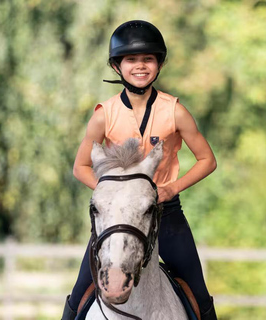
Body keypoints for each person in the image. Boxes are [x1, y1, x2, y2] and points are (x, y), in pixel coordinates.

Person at [61, 20, 218, 320]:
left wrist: (171, 188)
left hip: (166, 212)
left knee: (198, 292)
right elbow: (80, 167)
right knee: (79, 293)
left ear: (159, 64)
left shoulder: (176, 111)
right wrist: (112, 194)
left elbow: (207, 160)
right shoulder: (103, 115)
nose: (140, 66)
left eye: (148, 59)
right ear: (117, 66)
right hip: (117, 216)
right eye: (131, 59)